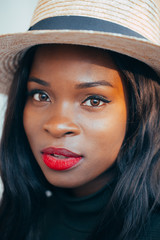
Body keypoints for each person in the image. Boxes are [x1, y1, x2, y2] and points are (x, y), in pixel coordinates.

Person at [0, 0, 160, 240]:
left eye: (93, 100)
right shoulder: (16, 219)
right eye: (40, 95)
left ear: (142, 110)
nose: (57, 125)